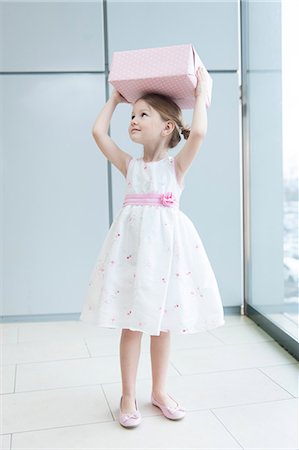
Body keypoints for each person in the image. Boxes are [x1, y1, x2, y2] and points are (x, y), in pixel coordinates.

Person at [80, 67, 225, 428]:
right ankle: (128, 394)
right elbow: (98, 132)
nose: (133, 120)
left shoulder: (176, 167)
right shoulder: (130, 166)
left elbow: (201, 131)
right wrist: (115, 99)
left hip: (167, 255)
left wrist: (203, 89)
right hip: (132, 255)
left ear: (167, 127)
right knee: (132, 325)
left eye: (143, 114)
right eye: (132, 114)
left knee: (162, 326)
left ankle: (159, 391)